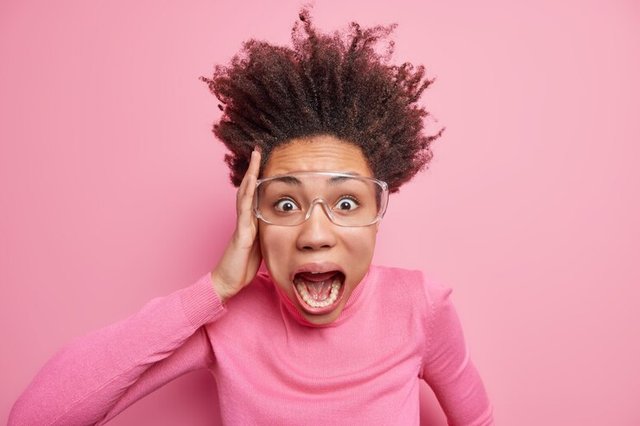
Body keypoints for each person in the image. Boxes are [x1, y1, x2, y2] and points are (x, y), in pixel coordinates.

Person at [9, 8, 493, 426]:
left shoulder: (420, 307)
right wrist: (214, 289)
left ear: (376, 215)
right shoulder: (226, 320)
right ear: (252, 217)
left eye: (347, 203)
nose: (315, 234)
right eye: (285, 204)